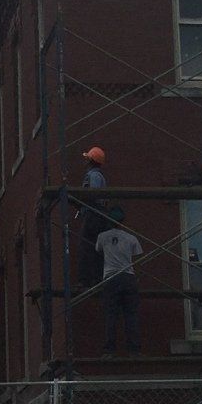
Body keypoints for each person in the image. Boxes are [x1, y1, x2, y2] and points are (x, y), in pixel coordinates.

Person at [95, 204, 142, 354]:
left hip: (111, 278)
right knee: (131, 315)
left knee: (111, 315)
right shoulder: (131, 238)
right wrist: (137, 279)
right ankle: (133, 350)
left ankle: (110, 350)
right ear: (122, 221)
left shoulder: (102, 237)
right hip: (128, 277)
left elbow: (98, 250)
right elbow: (138, 260)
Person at [76, 146, 109, 286]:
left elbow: (93, 195)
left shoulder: (93, 175)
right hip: (97, 214)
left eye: (87, 159)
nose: (85, 161)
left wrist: (80, 200)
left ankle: (86, 280)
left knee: (86, 247)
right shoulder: (98, 175)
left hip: (93, 214)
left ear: (91, 161)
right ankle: (96, 278)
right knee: (95, 247)